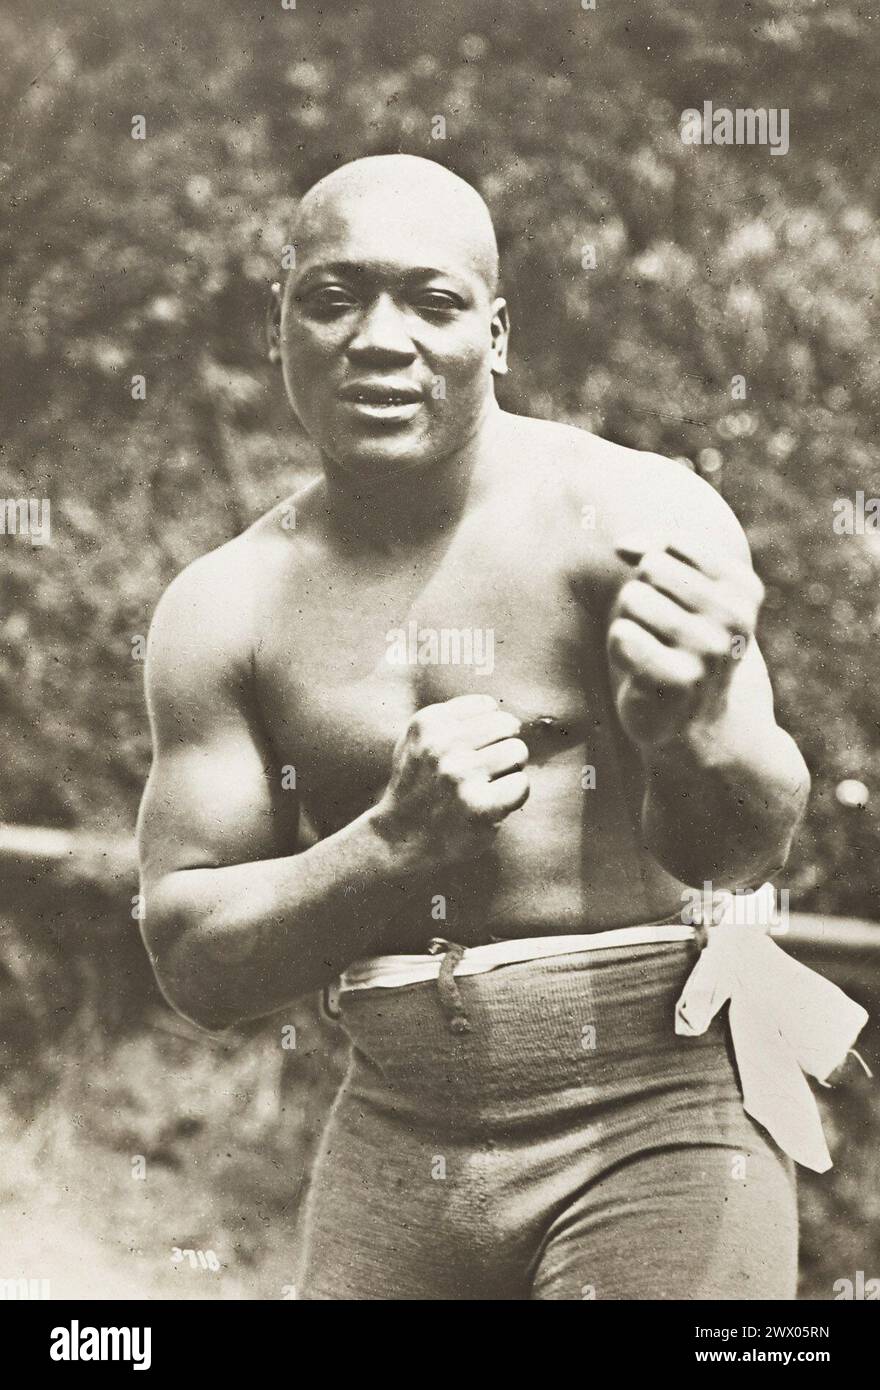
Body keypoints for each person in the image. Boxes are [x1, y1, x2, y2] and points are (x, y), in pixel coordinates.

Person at [137, 154, 819, 1300]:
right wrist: (389, 845)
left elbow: (741, 848)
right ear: (280, 325)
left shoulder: (630, 515)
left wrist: (690, 729)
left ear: (495, 335)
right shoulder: (224, 604)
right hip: (400, 1125)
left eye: (432, 300)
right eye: (335, 295)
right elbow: (197, 961)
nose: (380, 337)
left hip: (658, 1111)